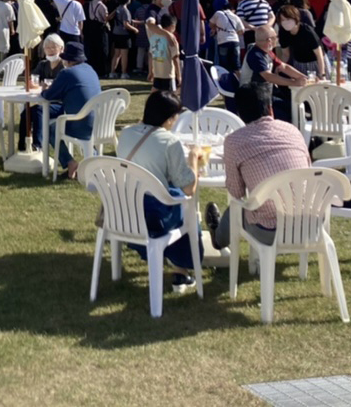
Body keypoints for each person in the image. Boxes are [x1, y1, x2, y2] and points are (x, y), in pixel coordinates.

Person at [205, 81, 312, 252]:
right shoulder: (293, 131)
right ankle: (218, 235)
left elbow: (236, 193)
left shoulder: (234, 142)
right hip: (309, 224)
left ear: (239, 113)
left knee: (237, 208)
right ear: (270, 108)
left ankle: (218, 239)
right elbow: (307, 169)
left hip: (268, 230)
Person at [115, 91, 206, 293]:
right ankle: (182, 269)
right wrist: (193, 157)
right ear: (169, 118)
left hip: (122, 211)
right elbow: (188, 187)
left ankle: (177, 268)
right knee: (186, 209)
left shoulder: (127, 132)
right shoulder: (168, 142)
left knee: (174, 199)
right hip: (152, 217)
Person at [33, 41, 101, 180]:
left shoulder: (67, 73)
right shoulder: (90, 70)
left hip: (82, 125)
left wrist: (45, 89)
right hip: (101, 124)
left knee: (51, 129)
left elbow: (48, 96)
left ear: (68, 59)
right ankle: (94, 161)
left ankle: (69, 162)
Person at [238, 25, 307, 122]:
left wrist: (304, 77)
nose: (277, 39)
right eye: (276, 37)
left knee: (291, 108)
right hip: (253, 98)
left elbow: (283, 67)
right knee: (284, 117)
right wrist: (294, 82)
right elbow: (268, 76)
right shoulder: (255, 55)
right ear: (269, 40)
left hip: (266, 94)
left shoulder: (267, 51)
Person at [275, 4, 327, 79]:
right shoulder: (283, 32)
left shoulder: (307, 31)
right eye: (283, 20)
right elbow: (286, 54)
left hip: (316, 62)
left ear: (295, 18)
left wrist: (322, 74)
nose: (286, 22)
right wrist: (280, 66)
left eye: (288, 19)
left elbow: (319, 55)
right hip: (299, 64)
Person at [145, 13, 181, 93]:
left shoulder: (154, 37)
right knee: (171, 99)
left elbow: (150, 55)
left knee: (155, 97)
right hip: (168, 74)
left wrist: (151, 71)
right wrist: (179, 75)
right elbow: (175, 58)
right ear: (173, 26)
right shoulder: (172, 39)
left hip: (157, 73)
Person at [209, 0, 244, 74]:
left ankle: (225, 82)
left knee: (224, 64)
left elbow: (211, 24)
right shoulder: (236, 17)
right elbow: (241, 31)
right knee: (237, 65)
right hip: (235, 41)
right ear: (232, 9)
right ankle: (240, 83)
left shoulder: (218, 13)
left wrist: (216, 28)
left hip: (223, 41)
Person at [109, 0, 137, 79]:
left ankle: (112, 72)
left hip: (116, 33)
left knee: (116, 54)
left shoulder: (117, 8)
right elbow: (126, 24)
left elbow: (109, 17)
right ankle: (124, 72)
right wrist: (135, 29)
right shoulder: (125, 10)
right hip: (124, 34)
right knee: (124, 54)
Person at [84, 0, 110, 78]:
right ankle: (102, 71)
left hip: (91, 28)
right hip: (100, 28)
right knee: (102, 50)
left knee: (93, 50)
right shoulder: (102, 6)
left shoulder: (90, 3)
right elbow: (105, 19)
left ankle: (93, 69)